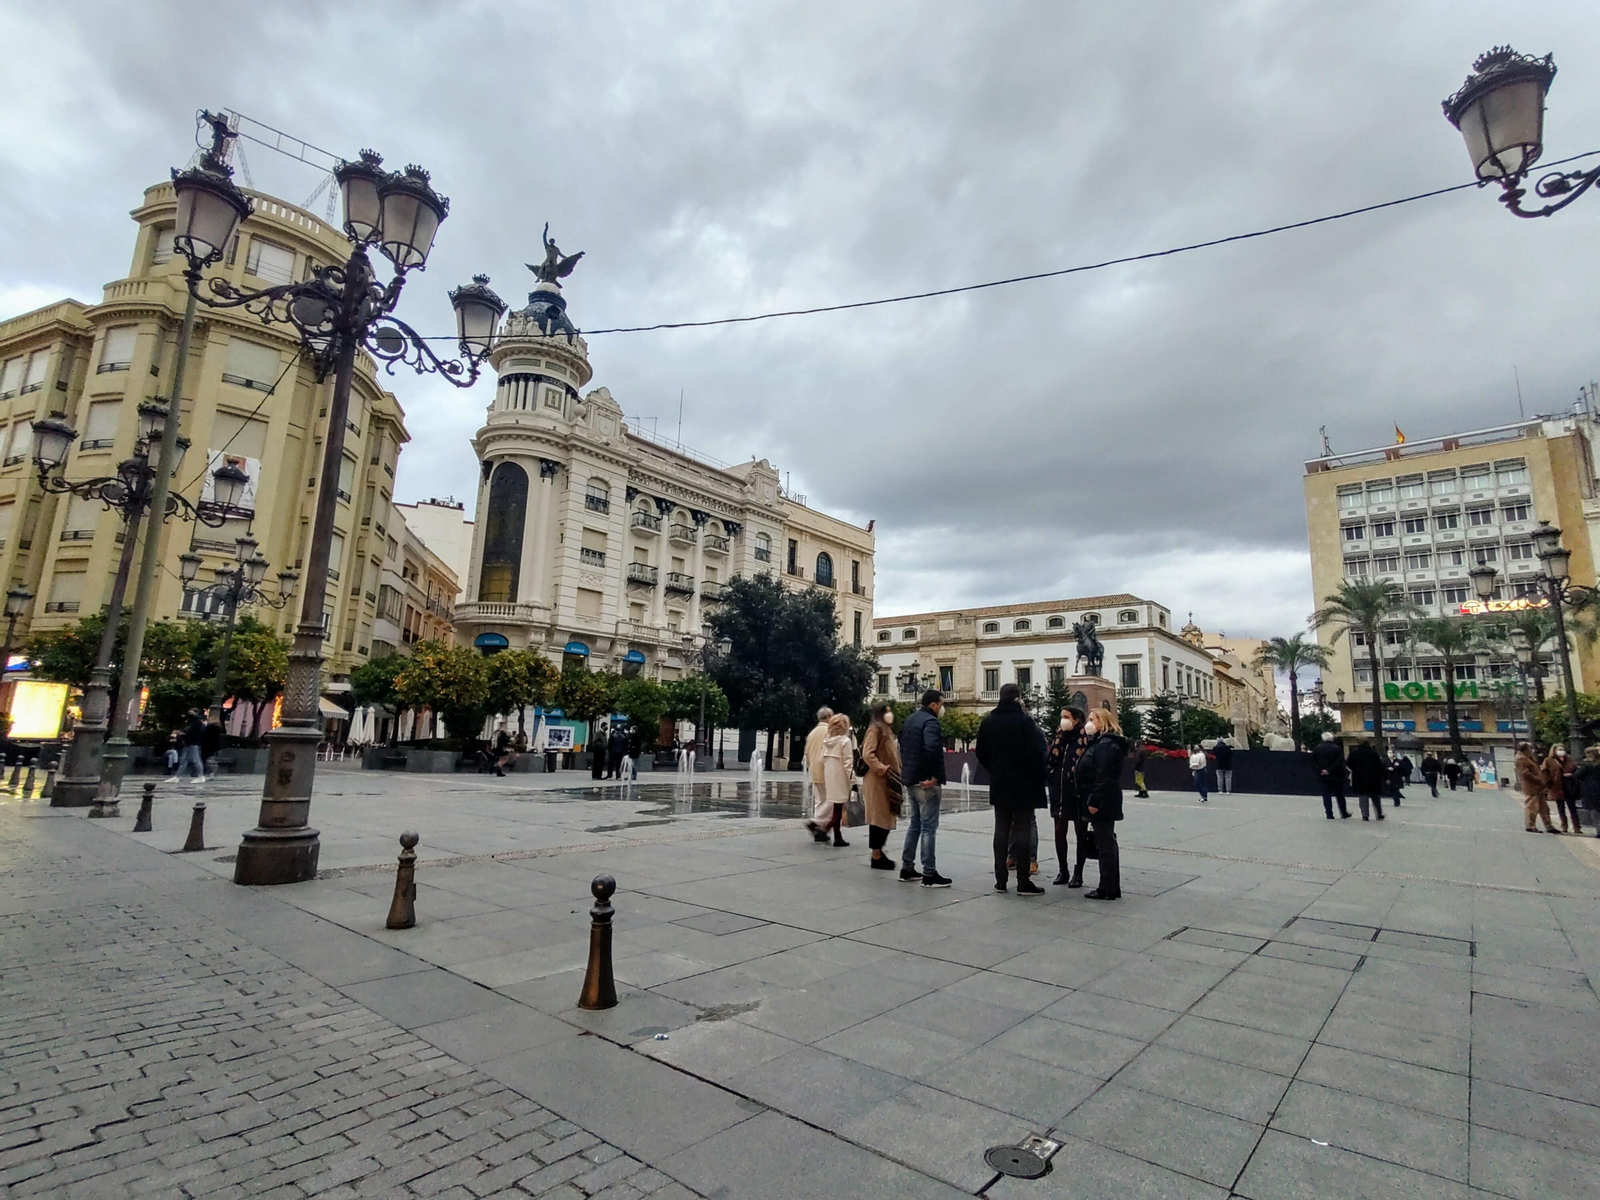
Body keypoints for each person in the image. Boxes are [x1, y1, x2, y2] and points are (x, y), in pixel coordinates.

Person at [976, 683, 1048, 896]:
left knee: (1001, 829)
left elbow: (981, 752)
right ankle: (1023, 881)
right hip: (1024, 783)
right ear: (1017, 699)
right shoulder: (1025, 722)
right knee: (1023, 828)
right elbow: (1038, 752)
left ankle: (1000, 880)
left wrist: (996, 768)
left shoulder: (989, 721)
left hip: (1000, 782)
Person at [1074, 706, 1128, 900]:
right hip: (1103, 799)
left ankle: (1107, 887)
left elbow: (1104, 776)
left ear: (1103, 723)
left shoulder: (1105, 744)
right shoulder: (1102, 743)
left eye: (1092, 720)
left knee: (1105, 844)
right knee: (1106, 843)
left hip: (1102, 801)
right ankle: (1111, 886)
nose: (1089, 723)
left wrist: (1095, 800)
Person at [898, 690, 951, 887]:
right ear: (934, 705)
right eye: (941, 703)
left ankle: (907, 868)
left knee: (915, 824)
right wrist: (935, 777)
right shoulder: (931, 722)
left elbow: (903, 746)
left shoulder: (911, 719)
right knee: (929, 827)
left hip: (911, 780)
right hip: (926, 782)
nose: (942, 708)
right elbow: (932, 749)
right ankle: (929, 874)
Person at [1047, 707, 1090, 887]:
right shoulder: (1060, 738)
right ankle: (1062, 870)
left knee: (1081, 833)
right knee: (1059, 832)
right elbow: (1050, 761)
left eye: (1066, 717)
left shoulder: (1084, 739)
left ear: (1076, 720)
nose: (1063, 720)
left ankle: (1078, 872)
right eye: (1061, 717)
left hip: (1078, 793)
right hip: (1060, 792)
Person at [860, 702, 902, 870]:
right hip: (878, 780)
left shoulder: (885, 730)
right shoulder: (875, 729)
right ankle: (876, 855)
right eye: (887, 711)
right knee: (879, 818)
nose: (890, 714)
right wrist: (882, 769)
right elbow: (867, 754)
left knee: (886, 817)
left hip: (887, 779)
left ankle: (878, 852)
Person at [819, 714, 854, 847]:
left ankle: (837, 836)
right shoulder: (845, 741)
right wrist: (853, 780)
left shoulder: (827, 741)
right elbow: (848, 763)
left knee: (836, 807)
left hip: (830, 776)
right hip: (841, 778)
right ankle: (824, 829)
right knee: (838, 807)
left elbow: (821, 759)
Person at [802, 707, 834, 842]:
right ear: (827, 717)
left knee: (820, 800)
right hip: (827, 770)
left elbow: (807, 753)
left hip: (815, 770)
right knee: (832, 799)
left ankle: (819, 830)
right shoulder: (829, 731)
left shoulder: (812, 733)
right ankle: (816, 821)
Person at [1516, 742, 1557, 833]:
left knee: (1544, 807)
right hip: (1532, 786)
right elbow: (1525, 773)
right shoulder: (1521, 758)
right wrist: (1538, 780)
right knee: (1532, 806)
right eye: (1530, 749)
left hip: (1538, 786)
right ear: (1526, 749)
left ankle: (1548, 825)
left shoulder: (1527, 757)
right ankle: (1530, 825)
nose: (1532, 750)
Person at [1312, 732, 1351, 819]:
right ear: (1332, 739)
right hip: (1336, 775)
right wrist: (1330, 770)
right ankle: (1343, 812)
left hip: (1323, 776)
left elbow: (1313, 762)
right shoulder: (1337, 749)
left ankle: (1329, 814)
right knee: (1340, 795)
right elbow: (1339, 761)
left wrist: (1321, 770)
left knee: (1326, 795)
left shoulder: (1317, 749)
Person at [1546, 744, 1582, 834]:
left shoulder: (1569, 760)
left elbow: (1575, 769)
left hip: (1569, 786)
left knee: (1572, 808)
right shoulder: (1549, 760)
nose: (1561, 751)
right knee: (1561, 807)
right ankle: (1564, 826)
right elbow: (1545, 773)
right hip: (1557, 787)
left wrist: (1571, 774)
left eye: (1562, 749)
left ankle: (1576, 827)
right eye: (1559, 749)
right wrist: (1549, 784)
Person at [1346, 738, 1385, 821]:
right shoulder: (1373, 752)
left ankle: (1365, 815)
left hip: (1359, 777)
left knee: (1363, 797)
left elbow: (1348, 763)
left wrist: (1356, 770)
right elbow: (1379, 765)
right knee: (1375, 797)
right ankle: (1379, 814)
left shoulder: (1354, 752)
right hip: (1373, 777)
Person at [1571, 746, 1600, 839]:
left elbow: (1577, 776)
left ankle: (1599, 830)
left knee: (1594, 811)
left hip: (1590, 789)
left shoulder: (1586, 764)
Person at [177, 710, 206, 780]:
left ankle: (201, 776)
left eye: (192, 711)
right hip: (189, 743)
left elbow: (196, 733)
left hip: (194, 743)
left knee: (196, 759)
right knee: (184, 760)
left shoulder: (197, 723)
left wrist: (186, 735)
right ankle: (177, 776)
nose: (190, 713)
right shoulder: (191, 722)